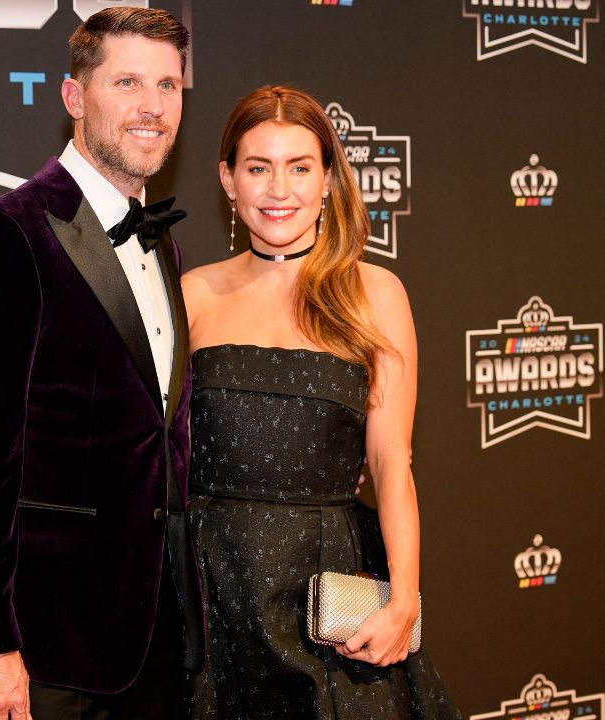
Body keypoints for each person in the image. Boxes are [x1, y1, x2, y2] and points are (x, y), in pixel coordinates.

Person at [0, 8, 202, 720]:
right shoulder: (3, 237)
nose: (152, 107)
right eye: (127, 81)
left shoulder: (162, 245)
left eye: (168, 86)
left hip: (155, 634)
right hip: (42, 646)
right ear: (75, 97)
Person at [181, 86, 461, 719]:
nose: (279, 190)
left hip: (323, 591)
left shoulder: (375, 294)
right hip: (211, 587)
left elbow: (392, 462)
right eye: (258, 168)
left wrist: (404, 598)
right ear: (229, 180)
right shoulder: (192, 294)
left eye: (299, 168)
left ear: (329, 178)